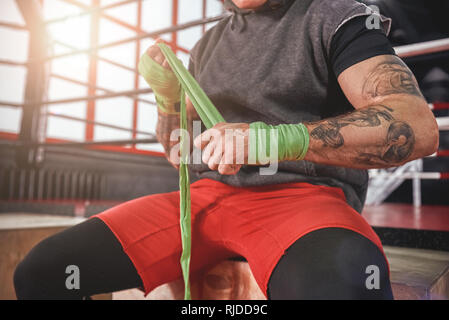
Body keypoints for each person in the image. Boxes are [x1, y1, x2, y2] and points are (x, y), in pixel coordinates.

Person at [14, 0, 438, 300]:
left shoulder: (336, 17)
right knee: (43, 273)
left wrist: (273, 140)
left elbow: (414, 127)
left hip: (303, 200)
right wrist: (168, 101)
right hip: (207, 198)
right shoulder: (207, 45)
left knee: (337, 289)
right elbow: (181, 153)